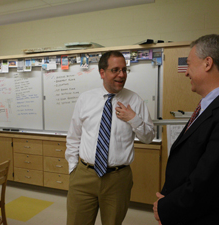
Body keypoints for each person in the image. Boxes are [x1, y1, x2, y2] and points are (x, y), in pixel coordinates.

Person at [153, 34, 219, 225]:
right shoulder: (211, 106)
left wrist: (167, 207)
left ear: (207, 63)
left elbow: (210, 185)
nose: (186, 72)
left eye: (189, 64)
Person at [66, 50, 155, 225]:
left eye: (124, 70)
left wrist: (133, 119)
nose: (121, 75)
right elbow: (74, 136)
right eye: (115, 70)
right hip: (84, 176)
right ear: (102, 73)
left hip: (117, 179)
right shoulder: (85, 99)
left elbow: (148, 137)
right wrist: (73, 169)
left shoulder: (134, 100)